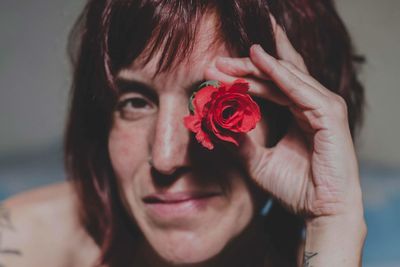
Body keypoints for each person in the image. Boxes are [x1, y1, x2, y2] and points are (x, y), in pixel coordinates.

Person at [0, 0, 367, 266]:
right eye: (135, 102)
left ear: (291, 123)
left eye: (211, 97)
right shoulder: (24, 242)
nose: (165, 157)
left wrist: (332, 220)